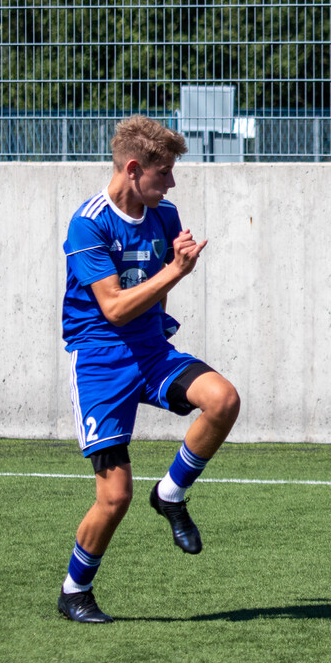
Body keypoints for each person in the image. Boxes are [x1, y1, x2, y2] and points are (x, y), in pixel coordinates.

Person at [57, 115, 240, 623]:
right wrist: (174, 272)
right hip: (100, 362)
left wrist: (176, 262)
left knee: (223, 399)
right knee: (114, 498)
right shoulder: (88, 223)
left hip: (153, 350)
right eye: (164, 173)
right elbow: (114, 308)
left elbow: (155, 285)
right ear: (134, 169)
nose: (173, 183)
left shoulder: (165, 213)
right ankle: (75, 591)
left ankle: (172, 493)